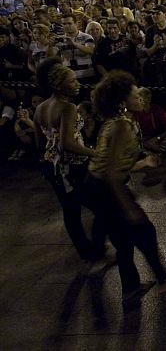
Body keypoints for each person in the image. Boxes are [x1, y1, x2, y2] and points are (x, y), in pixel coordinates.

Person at [87, 70, 166, 305]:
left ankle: (130, 287)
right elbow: (110, 173)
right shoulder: (121, 127)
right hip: (107, 188)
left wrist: (142, 162)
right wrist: (128, 206)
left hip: (99, 185)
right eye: (135, 95)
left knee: (123, 241)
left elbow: (114, 163)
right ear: (122, 103)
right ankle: (163, 280)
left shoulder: (117, 123)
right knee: (144, 232)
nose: (141, 98)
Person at [32, 58, 103, 262]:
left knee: (70, 210)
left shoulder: (40, 108)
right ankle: (97, 250)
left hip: (51, 166)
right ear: (58, 85)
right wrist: (95, 153)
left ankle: (86, 252)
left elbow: (40, 142)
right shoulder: (67, 108)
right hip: (72, 167)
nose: (77, 84)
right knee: (101, 207)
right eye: (72, 81)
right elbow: (68, 144)